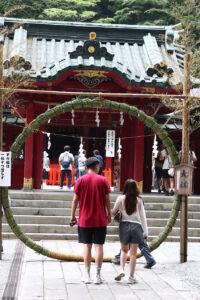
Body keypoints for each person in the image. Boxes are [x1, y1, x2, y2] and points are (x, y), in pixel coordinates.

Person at [70, 157, 111, 284]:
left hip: (84, 219)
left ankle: (87, 275)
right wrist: (109, 214)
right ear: (96, 167)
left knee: (87, 246)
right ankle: (97, 276)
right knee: (99, 246)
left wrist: (72, 215)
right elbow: (107, 200)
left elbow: (75, 200)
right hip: (100, 219)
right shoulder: (103, 180)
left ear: (87, 167)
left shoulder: (81, 180)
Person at [112, 179, 148, 284]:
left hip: (124, 226)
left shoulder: (120, 199)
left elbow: (113, 212)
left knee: (123, 251)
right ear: (135, 188)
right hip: (136, 227)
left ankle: (122, 270)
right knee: (133, 254)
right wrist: (145, 233)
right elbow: (143, 217)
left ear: (125, 187)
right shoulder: (139, 200)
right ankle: (131, 277)